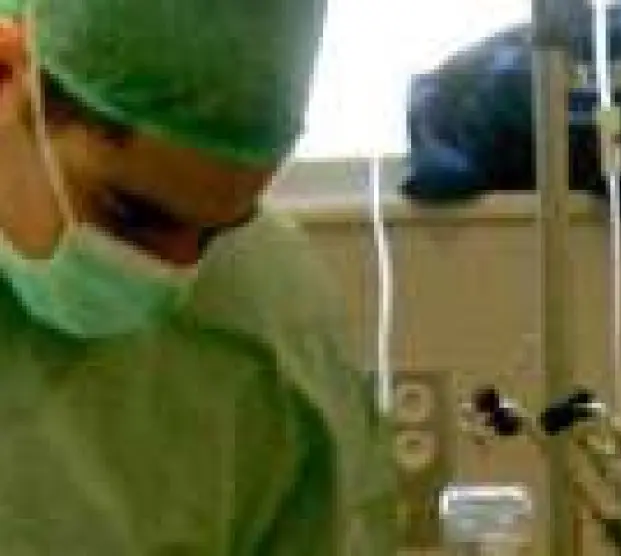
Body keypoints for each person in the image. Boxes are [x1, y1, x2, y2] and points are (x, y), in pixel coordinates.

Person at [0, 0, 396, 554]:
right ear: (7, 75)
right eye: (131, 215)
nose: (173, 273)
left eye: (217, 232)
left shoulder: (272, 315)